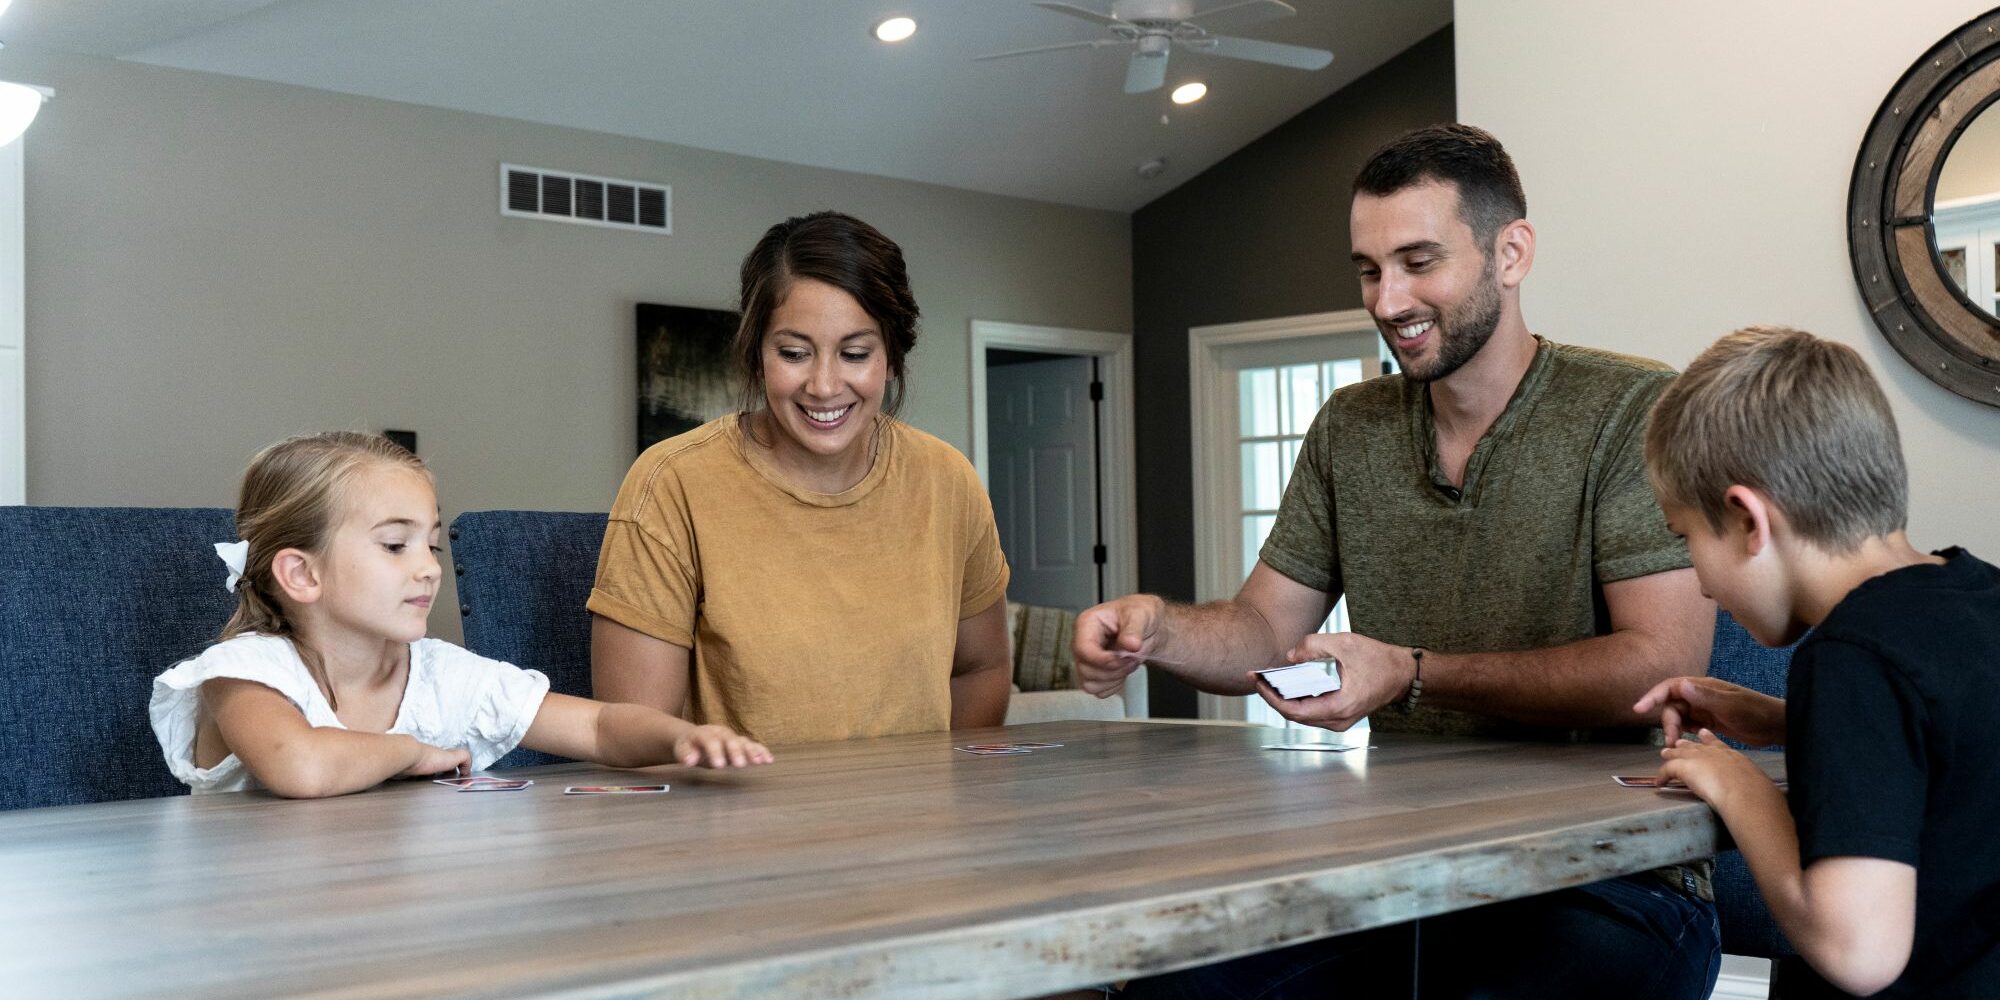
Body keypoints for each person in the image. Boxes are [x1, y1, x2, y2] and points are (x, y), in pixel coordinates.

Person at [1074, 124, 1720, 997]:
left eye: (1419, 261)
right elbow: (1264, 628)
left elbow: (1662, 664)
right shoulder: (1351, 426)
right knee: (1174, 988)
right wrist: (1158, 630)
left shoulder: (1629, 407)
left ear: (1511, 253)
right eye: (1369, 270)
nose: (1387, 300)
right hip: (1406, 874)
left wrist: (1413, 674)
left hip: (1611, 879)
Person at [1636, 327, 2000, 999]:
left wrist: (1738, 787)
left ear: (1749, 520)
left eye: (1686, 539)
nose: (1703, 585)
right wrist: (1784, 719)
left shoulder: (1849, 656)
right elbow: (1948, 751)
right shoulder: (1979, 598)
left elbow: (1857, 948)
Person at [150, 431, 772, 798]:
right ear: (302, 574)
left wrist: (681, 737)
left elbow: (599, 728)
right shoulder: (245, 673)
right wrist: (413, 752)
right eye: (396, 545)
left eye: (432, 543)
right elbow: (301, 765)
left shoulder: (445, 676)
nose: (427, 566)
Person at [589, 211, 1012, 745]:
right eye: (794, 353)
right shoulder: (672, 483)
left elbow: (981, 671)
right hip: (744, 822)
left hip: (917, 821)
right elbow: (635, 732)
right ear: (756, 353)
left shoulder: (949, 481)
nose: (825, 385)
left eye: (855, 354)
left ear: (893, 357)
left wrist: (933, 795)